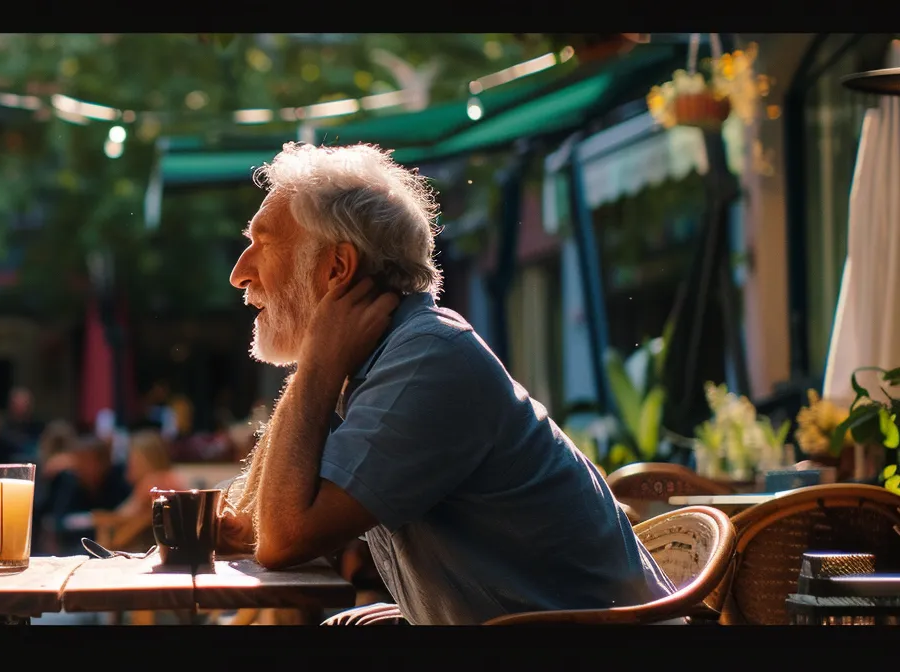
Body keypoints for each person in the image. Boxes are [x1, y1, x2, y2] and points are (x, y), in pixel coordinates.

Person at [216, 142, 673, 626]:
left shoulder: (428, 359)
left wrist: (315, 367)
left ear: (336, 269)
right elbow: (255, 522)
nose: (238, 273)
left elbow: (284, 539)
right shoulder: (378, 360)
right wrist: (320, 364)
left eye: (262, 243)